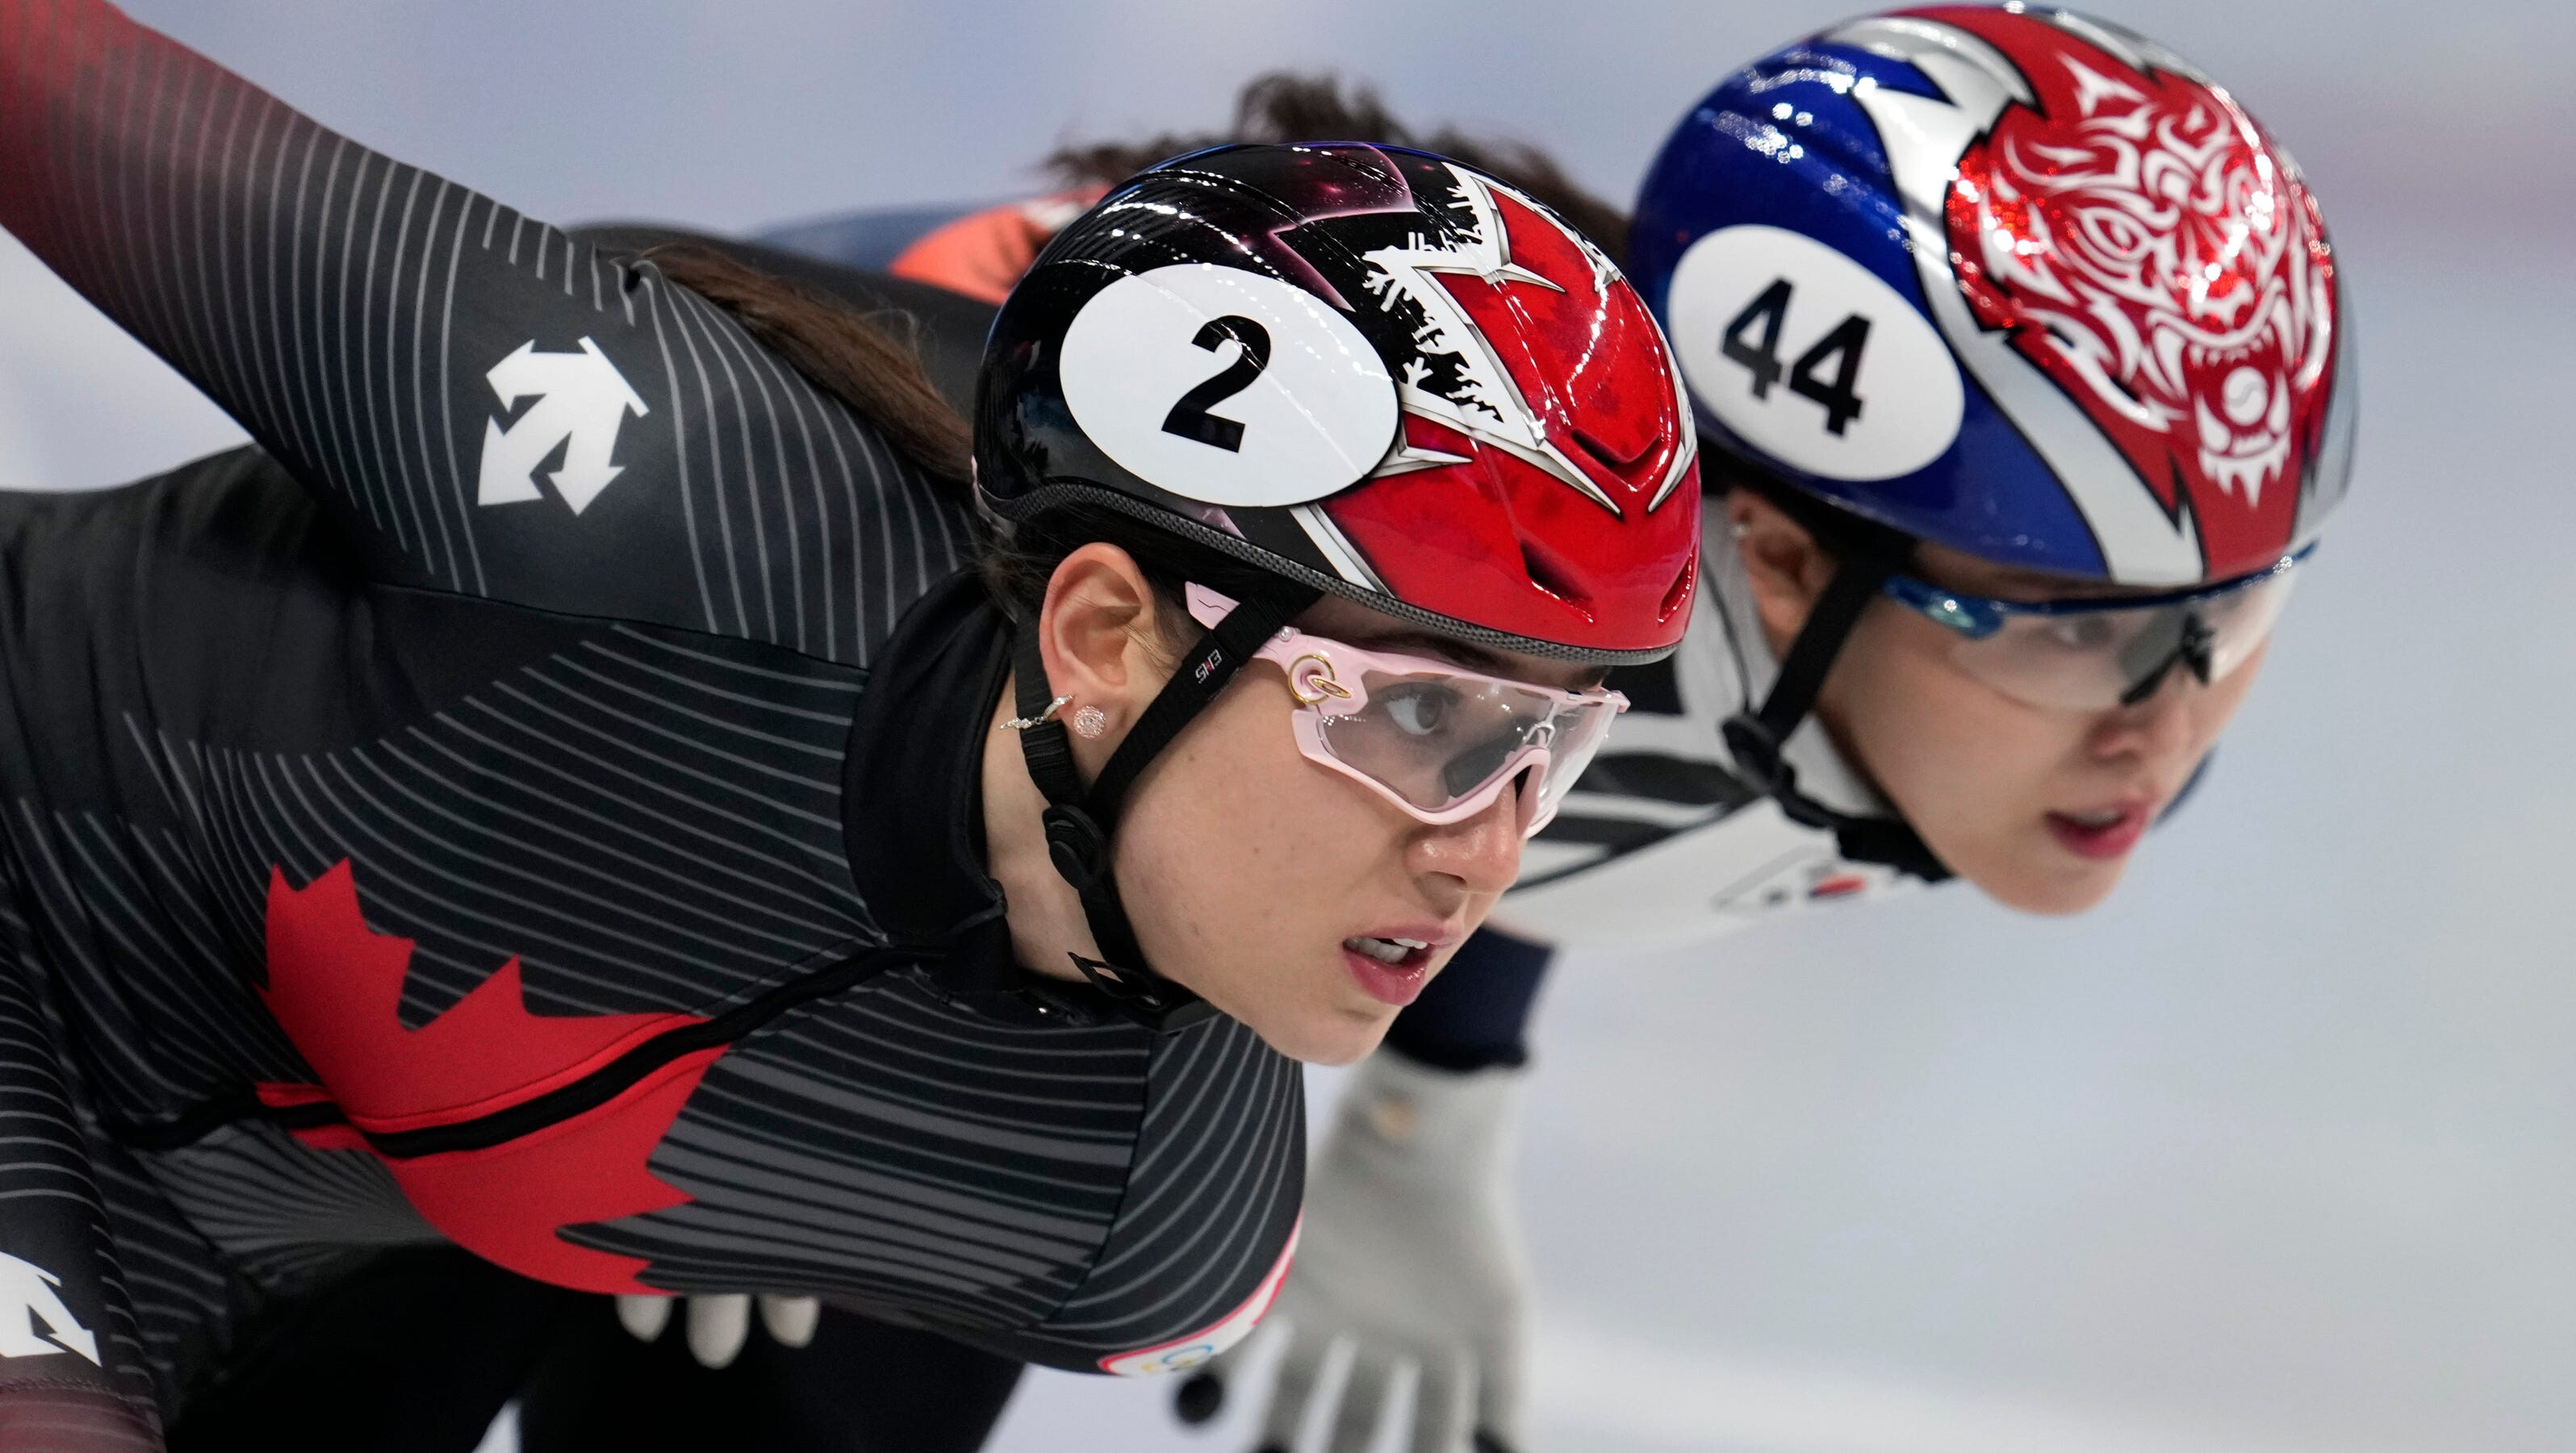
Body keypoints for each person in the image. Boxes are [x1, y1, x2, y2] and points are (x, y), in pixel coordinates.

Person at [0, 4, 1704, 1451]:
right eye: (1421, 714)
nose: (1490, 846)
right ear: (1104, 631)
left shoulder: (1152, 1216)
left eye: (1555, 748)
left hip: (229, 1267)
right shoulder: (635, 487)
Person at [726, 10, 2355, 1451]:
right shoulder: (1453, 565)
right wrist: (742, 941)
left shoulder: (2031, 716)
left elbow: (1538, 812)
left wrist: (1441, 1113)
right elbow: (800, 495)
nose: (2166, 726)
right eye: (2082, 631)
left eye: (2239, 615)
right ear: (1779, 569)